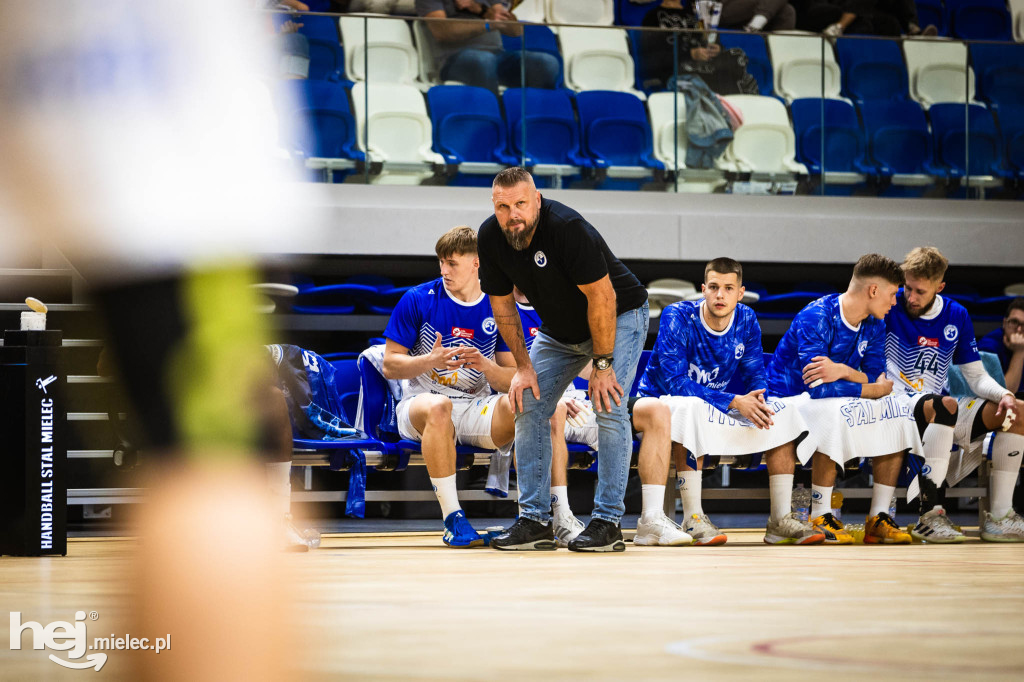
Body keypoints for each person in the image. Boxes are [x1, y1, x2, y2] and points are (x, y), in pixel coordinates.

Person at [479, 167, 649, 552]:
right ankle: (535, 520)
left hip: (619, 315)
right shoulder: (490, 236)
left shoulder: (568, 228)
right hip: (560, 329)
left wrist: (603, 365)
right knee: (528, 401)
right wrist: (523, 368)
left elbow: (603, 298)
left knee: (609, 407)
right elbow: (503, 307)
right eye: (503, 207)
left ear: (536, 200)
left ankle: (607, 522)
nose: (513, 215)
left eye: (521, 203)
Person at [638, 257, 823, 546]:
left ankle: (780, 520)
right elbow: (676, 385)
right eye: (713, 287)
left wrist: (758, 401)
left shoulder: (746, 319)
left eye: (728, 288)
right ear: (703, 289)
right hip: (660, 405)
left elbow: (755, 375)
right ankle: (693, 517)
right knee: (692, 409)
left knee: (781, 411)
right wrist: (735, 401)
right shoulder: (677, 316)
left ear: (740, 292)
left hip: (716, 405)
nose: (720, 295)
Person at [767, 254, 922, 545]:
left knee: (896, 408)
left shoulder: (875, 323)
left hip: (830, 401)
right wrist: (867, 385)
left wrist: (844, 371)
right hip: (787, 401)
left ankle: (878, 516)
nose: (894, 303)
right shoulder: (817, 316)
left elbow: (877, 380)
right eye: (892, 294)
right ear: (873, 291)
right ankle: (821, 512)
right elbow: (818, 389)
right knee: (834, 409)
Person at [382, 226, 517, 548]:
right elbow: (390, 364)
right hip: (420, 404)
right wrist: (430, 360)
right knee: (439, 407)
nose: (444, 270)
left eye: (452, 263)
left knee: (524, 403)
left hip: (473, 406)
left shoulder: (500, 306)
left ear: (477, 263)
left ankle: (531, 516)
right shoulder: (417, 298)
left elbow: (513, 376)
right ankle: (453, 516)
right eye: (441, 262)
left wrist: (485, 366)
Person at [886, 248, 1024, 542]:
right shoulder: (888, 305)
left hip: (938, 407)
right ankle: (930, 516)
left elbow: (975, 376)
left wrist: (1003, 395)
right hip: (895, 405)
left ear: (940, 287)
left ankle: (999, 517)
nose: (910, 297)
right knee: (945, 405)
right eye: (907, 288)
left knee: (1018, 413)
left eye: (919, 291)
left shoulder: (956, 314)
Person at [415, 0, 560, 93]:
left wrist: (480, 9)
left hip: (498, 56)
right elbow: (442, 32)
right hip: (453, 59)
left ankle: (536, 120)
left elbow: (515, 31)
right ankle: (493, 116)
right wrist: (488, 24)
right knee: (483, 60)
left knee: (546, 62)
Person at [639, 0, 758, 94]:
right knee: (700, 72)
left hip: (706, 64)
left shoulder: (697, 17)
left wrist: (716, 49)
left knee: (736, 54)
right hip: (678, 67)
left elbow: (706, 40)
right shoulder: (652, 17)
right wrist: (691, 54)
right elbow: (654, 58)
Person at [790, 0, 936, 37]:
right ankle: (839, 26)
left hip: (855, 8)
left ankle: (913, 28)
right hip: (821, 9)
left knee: (889, 23)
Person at [978, 297, 1024, 396]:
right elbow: (1001, 396)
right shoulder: (987, 348)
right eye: (1014, 322)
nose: (1019, 330)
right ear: (1004, 323)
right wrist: (1019, 352)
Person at [718, 0, 796, 33]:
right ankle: (756, 24)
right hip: (718, 8)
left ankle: (775, 61)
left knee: (787, 12)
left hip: (749, 8)